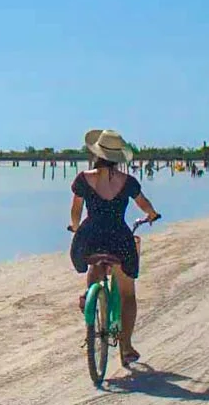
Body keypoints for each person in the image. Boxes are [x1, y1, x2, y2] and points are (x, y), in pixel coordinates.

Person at [68, 129, 161, 367]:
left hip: (90, 237)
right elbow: (144, 204)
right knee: (127, 294)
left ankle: (89, 295)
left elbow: (76, 211)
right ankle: (126, 346)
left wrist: (75, 226)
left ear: (96, 153)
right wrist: (151, 214)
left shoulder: (83, 179)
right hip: (118, 239)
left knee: (95, 262)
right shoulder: (127, 182)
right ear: (119, 157)